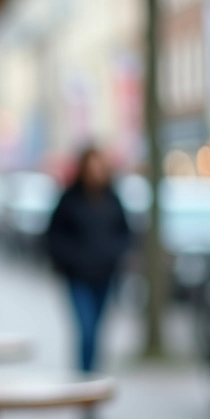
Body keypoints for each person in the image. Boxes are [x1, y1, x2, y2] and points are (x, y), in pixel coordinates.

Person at [45, 148, 132, 374]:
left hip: (105, 276)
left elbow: (124, 233)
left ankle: (92, 378)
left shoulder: (112, 199)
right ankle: (84, 377)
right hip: (78, 277)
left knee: (98, 331)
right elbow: (53, 236)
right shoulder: (69, 199)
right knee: (86, 329)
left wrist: (115, 255)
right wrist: (69, 260)